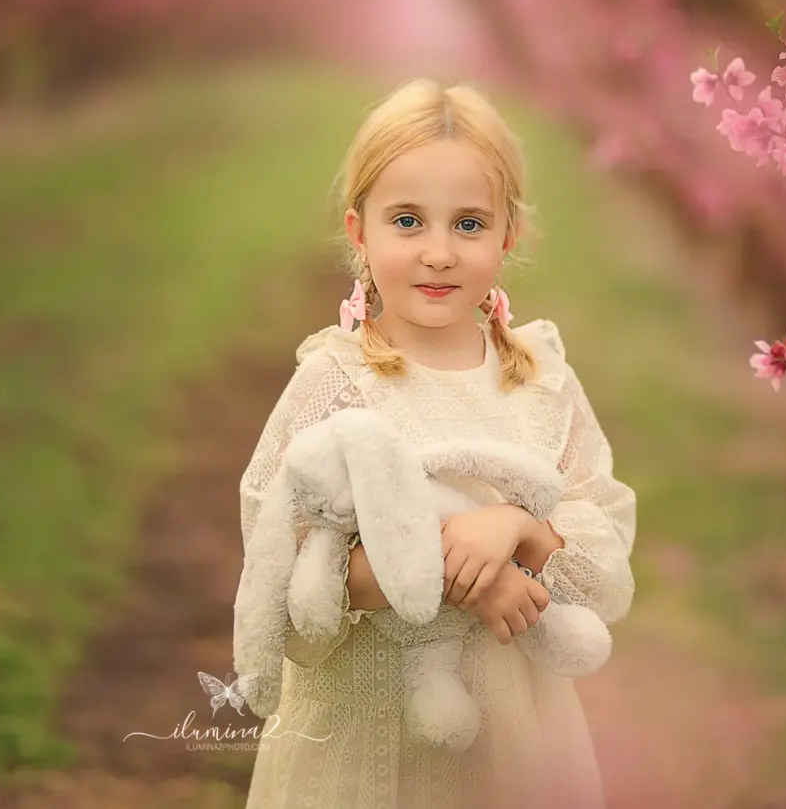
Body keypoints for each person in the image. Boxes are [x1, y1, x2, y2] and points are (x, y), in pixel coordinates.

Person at [234, 78, 637, 808]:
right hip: (363, 758)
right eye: (409, 221)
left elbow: (603, 574)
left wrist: (516, 526)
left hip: (514, 758)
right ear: (360, 231)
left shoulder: (540, 386)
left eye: (470, 225)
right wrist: (455, 561)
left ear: (509, 233)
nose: (440, 253)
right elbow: (284, 589)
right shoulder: (335, 386)